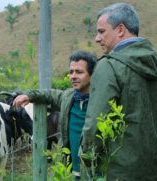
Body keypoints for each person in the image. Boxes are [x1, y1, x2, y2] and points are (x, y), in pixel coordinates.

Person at [81, 3, 157, 180]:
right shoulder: (156, 66)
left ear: (121, 29)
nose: (97, 38)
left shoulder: (109, 66)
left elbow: (94, 125)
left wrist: (87, 157)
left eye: (101, 31)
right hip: (151, 168)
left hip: (115, 170)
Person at [13, 50, 97, 178]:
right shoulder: (68, 98)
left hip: (95, 173)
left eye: (79, 72)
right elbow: (49, 94)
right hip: (70, 172)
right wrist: (28, 95)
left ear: (92, 75)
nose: (73, 76)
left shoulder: (101, 101)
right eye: (71, 72)